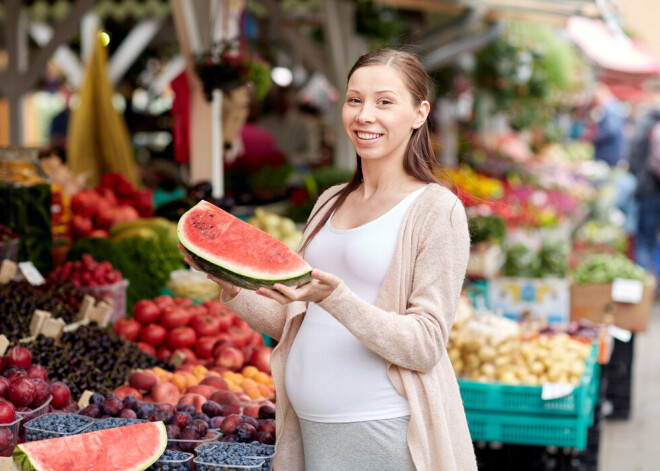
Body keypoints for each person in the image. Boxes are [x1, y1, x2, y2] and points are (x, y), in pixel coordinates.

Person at [181, 48, 477, 470]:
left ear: (419, 113)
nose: (364, 115)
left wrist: (336, 298)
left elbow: (425, 344)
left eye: (385, 102)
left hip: (380, 429)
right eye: (354, 100)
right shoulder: (329, 202)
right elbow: (292, 320)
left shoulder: (436, 210)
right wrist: (226, 280)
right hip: (308, 427)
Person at [628, 77, 660, 274]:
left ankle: (644, 287)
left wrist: (639, 178)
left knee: (645, 239)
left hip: (649, 188)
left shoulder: (646, 118)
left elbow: (634, 153)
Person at [590, 82, 626, 167]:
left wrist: (595, 139)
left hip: (608, 152)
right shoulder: (615, 106)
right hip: (611, 151)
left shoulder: (611, 108)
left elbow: (611, 130)